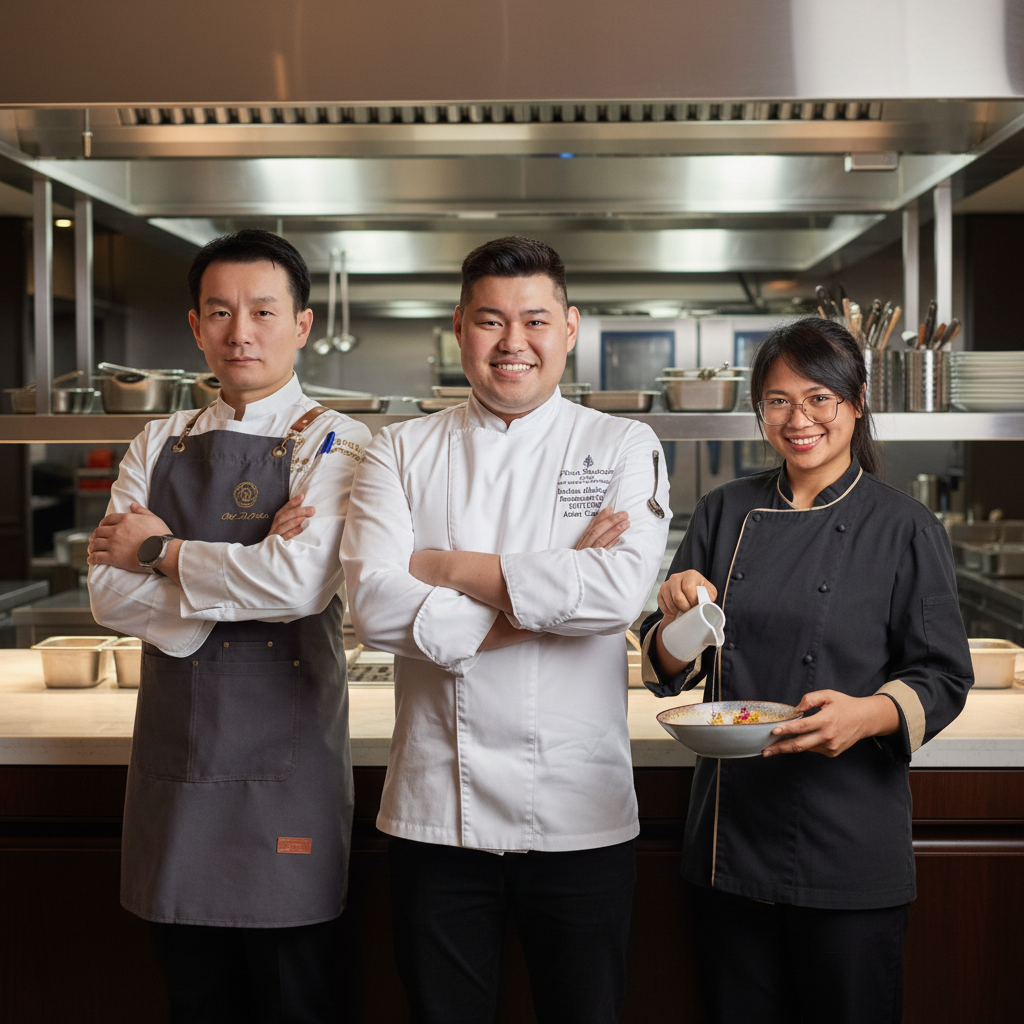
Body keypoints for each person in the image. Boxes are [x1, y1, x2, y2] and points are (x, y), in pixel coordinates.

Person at [340, 236, 670, 1024]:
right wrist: (554, 584)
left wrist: (445, 566)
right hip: (435, 811)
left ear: (570, 327)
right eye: (491, 321)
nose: (513, 342)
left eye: (535, 320)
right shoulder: (399, 449)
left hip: (581, 809)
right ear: (460, 327)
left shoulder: (622, 444)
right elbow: (374, 606)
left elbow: (616, 596)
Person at [639, 316, 973, 1024]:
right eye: (779, 401)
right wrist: (676, 616)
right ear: (760, 409)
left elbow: (943, 675)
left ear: (856, 403)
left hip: (848, 839)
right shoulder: (724, 511)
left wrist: (867, 714)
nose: (799, 420)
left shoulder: (905, 526)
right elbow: (668, 669)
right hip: (729, 841)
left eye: (820, 398)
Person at [87, 229, 371, 1023]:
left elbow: (298, 584)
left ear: (302, 324)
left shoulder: (337, 440)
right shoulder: (156, 440)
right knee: (195, 998)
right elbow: (108, 595)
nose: (240, 332)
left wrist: (161, 552)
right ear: (195, 325)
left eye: (262, 311)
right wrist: (240, 571)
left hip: (288, 775)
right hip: (174, 772)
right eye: (219, 312)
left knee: (296, 1000)